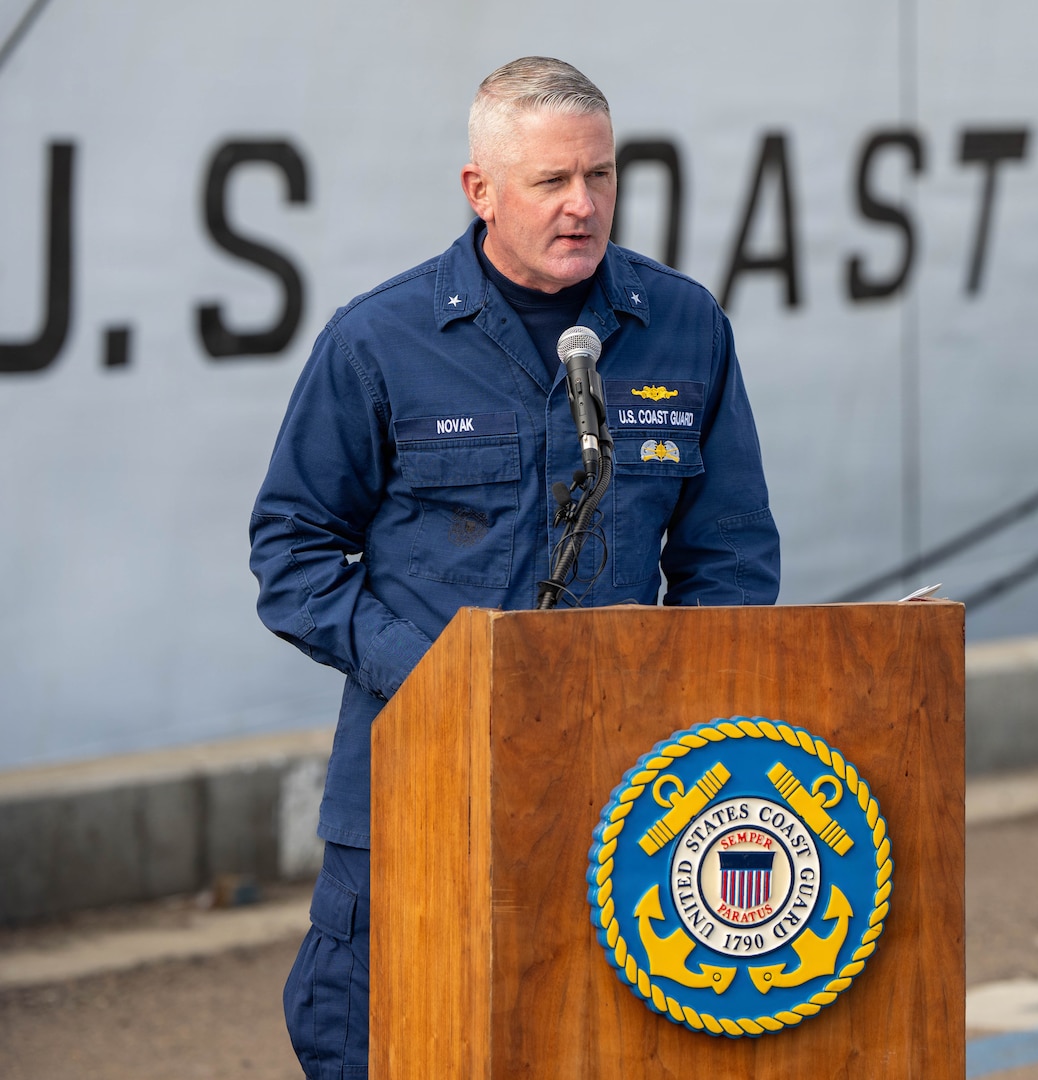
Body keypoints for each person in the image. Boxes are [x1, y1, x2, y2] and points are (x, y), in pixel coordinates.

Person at [248, 56, 779, 1079]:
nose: (584, 205)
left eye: (601, 175)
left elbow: (731, 553)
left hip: (623, 794)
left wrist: (685, 705)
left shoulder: (683, 327)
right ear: (480, 190)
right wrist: (439, 677)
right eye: (552, 181)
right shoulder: (379, 341)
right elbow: (294, 552)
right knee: (377, 1044)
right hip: (421, 780)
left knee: (594, 1050)